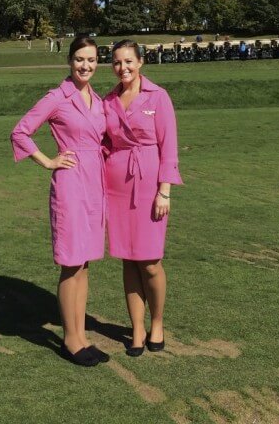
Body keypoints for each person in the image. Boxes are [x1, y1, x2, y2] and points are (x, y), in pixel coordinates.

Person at [10, 35, 109, 368]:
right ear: (69, 60)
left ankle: (81, 335)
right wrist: (48, 161)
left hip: (96, 183)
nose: (86, 65)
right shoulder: (57, 97)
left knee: (85, 263)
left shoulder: (97, 99)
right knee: (71, 262)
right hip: (70, 183)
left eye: (92, 60)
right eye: (80, 59)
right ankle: (70, 340)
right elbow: (20, 131)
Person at [103, 40, 183, 357]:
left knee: (150, 262)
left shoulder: (157, 97)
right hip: (117, 186)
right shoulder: (108, 100)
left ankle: (157, 322)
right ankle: (136, 326)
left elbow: (169, 147)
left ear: (141, 62)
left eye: (128, 62)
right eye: (117, 63)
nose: (123, 68)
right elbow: (102, 143)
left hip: (150, 185)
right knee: (128, 259)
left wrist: (165, 190)